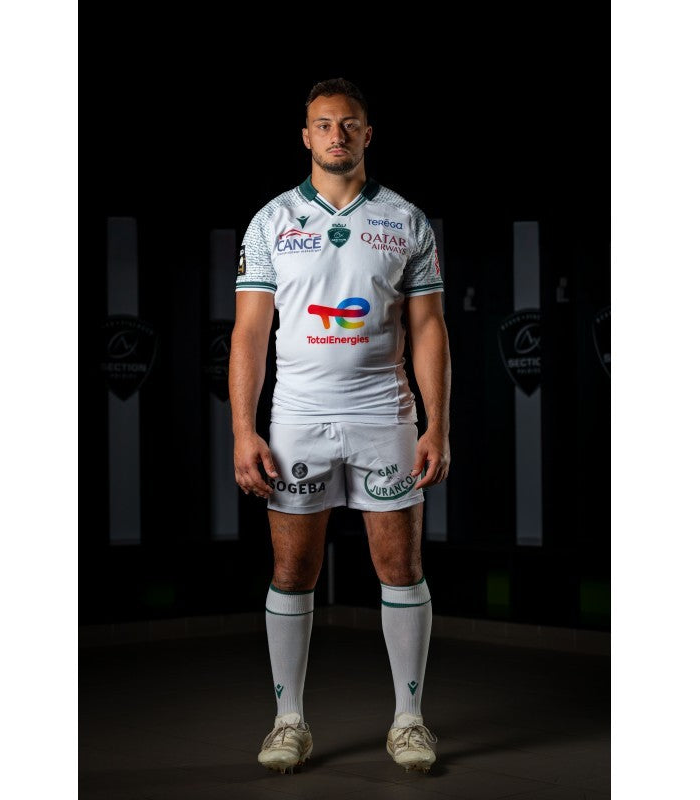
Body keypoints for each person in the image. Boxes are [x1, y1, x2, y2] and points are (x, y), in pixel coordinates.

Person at [229, 77, 451, 775]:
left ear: (367, 133)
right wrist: (243, 430)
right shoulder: (271, 222)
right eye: (324, 125)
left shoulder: (406, 222)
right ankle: (288, 721)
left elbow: (429, 327)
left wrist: (437, 425)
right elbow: (249, 333)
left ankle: (409, 721)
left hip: (384, 413)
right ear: (306, 136)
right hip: (296, 417)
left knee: (400, 567)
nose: (336, 135)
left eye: (349, 124)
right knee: (293, 571)